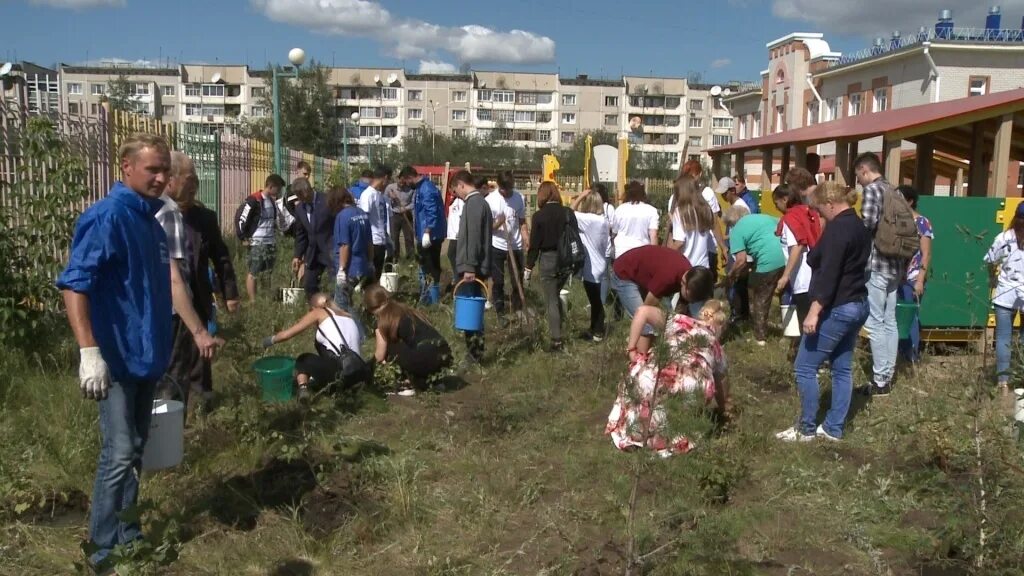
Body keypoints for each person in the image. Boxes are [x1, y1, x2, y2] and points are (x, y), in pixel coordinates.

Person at [56, 133, 175, 571]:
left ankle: (128, 533)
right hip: (116, 358)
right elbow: (75, 282)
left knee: (137, 449)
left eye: (165, 169)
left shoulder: (149, 221)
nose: (162, 178)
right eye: (152, 169)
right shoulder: (107, 217)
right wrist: (89, 350)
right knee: (119, 452)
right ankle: (102, 551)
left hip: (145, 355)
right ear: (126, 167)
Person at [776, 182, 870, 442]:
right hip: (858, 303)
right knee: (841, 368)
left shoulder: (838, 229)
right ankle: (833, 428)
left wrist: (814, 311)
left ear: (831, 204)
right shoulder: (858, 225)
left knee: (804, 367)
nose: (817, 215)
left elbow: (828, 274)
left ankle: (805, 428)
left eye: (819, 209)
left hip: (837, 306)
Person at [605, 300, 731, 457]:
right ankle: (667, 439)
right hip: (691, 387)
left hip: (654, 375)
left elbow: (642, 311)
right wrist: (722, 408)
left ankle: (637, 434)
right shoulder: (717, 348)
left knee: (644, 386)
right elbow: (721, 383)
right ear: (720, 327)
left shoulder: (678, 320)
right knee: (679, 403)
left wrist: (631, 349)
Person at [166, 152, 240, 407]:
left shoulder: (203, 217)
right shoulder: (156, 214)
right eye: (190, 179)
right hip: (163, 300)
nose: (195, 185)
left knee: (201, 347)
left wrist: (229, 292)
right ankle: (170, 404)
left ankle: (202, 399)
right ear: (171, 180)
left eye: (196, 179)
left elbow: (221, 256)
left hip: (196, 293)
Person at [856, 152, 906, 396]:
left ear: (865, 171)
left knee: (874, 323)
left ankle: (880, 381)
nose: (858, 182)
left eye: (858, 176)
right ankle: (888, 374)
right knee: (890, 321)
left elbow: (866, 224)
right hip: (896, 264)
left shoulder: (872, 191)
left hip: (876, 264)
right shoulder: (895, 190)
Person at [262, 293, 367, 399]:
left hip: (340, 374)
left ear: (315, 307)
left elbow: (286, 335)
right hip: (359, 373)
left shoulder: (319, 312)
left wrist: (268, 341)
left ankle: (303, 389)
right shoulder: (348, 316)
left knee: (304, 359)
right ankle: (341, 389)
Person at [364, 285, 453, 394]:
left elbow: (379, 355)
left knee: (391, 347)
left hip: (425, 357)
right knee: (413, 346)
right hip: (445, 354)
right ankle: (431, 382)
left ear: (370, 308)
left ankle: (407, 384)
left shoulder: (383, 320)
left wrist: (366, 367)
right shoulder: (407, 310)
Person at [722, 206, 786, 345]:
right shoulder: (764, 217)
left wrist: (731, 275)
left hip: (768, 261)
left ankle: (760, 337)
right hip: (787, 257)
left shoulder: (737, 231)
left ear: (732, 222)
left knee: (759, 297)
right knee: (786, 297)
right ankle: (788, 333)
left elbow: (741, 260)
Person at [612, 244, 715, 328]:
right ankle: (637, 351)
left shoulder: (691, 277)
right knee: (645, 323)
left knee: (661, 322)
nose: (691, 302)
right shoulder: (668, 277)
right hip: (625, 271)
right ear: (686, 287)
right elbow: (645, 310)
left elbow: (681, 310)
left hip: (644, 275)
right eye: (691, 299)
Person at [525, 181, 574, 351]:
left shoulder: (539, 216)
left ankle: (556, 340)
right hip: (566, 260)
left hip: (548, 259)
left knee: (551, 300)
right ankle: (561, 324)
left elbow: (534, 245)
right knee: (557, 294)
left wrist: (528, 268)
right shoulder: (567, 213)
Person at [453, 170, 492, 367]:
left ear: (461, 185)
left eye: (456, 190)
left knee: (470, 312)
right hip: (473, 266)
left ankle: (474, 354)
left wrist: (469, 266)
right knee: (471, 311)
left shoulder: (475, 203)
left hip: (472, 269)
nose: (457, 195)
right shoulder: (476, 202)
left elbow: (474, 237)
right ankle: (474, 352)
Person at [984, 203, 1024, 394]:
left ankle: (1003, 383)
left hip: (1005, 293)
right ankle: (1021, 378)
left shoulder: (1004, 238)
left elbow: (990, 260)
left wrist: (992, 278)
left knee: (1003, 338)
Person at [772, 184, 822, 334]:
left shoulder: (791, 218)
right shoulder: (808, 213)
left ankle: (806, 352)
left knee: (806, 321)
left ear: (785, 199)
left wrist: (785, 276)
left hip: (802, 277)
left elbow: (798, 246)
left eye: (777, 203)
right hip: (815, 273)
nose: (776, 207)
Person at [239, 174, 293, 303]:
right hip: (258, 243)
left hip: (270, 242)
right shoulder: (254, 200)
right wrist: (243, 237)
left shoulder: (272, 202)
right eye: (278, 188)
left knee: (267, 272)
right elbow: (242, 219)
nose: (279, 192)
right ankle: (253, 301)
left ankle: (265, 299)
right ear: (271, 186)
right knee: (254, 272)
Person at [399, 166, 446, 305]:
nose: (407, 185)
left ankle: (431, 299)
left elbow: (431, 211)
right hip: (426, 233)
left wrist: (427, 232)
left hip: (430, 236)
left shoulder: (426, 189)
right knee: (426, 265)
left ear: (409, 178)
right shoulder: (421, 188)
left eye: (406, 182)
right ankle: (427, 295)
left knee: (429, 266)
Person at [897, 185, 933, 363]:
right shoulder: (894, 221)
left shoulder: (922, 223)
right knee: (896, 316)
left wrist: (920, 280)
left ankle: (911, 357)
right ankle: (898, 354)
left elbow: (926, 254)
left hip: (912, 278)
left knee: (910, 317)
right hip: (896, 277)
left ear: (910, 201)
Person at [487, 171, 529, 322]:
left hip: (515, 245)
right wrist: (498, 222)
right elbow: (486, 227)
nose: (508, 192)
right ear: (499, 186)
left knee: (517, 279)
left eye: (510, 188)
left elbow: (522, 221)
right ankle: (500, 312)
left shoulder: (519, 198)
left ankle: (519, 308)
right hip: (497, 245)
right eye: (505, 189)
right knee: (498, 281)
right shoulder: (491, 200)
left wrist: (525, 237)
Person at [572, 189, 611, 341]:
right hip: (600, 262)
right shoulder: (603, 220)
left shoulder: (589, 220)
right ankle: (593, 328)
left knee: (595, 301)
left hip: (591, 266)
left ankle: (598, 331)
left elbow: (569, 212)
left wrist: (580, 196)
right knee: (595, 299)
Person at [331, 185, 373, 320]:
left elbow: (344, 245)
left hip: (349, 267)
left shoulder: (342, 217)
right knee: (349, 300)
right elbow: (369, 242)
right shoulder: (361, 213)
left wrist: (342, 270)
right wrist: (370, 262)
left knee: (342, 304)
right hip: (362, 265)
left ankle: (358, 333)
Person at [290, 177, 336, 298]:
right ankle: (314, 309)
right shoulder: (300, 208)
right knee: (309, 284)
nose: (302, 198)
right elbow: (301, 234)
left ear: (309, 189)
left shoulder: (327, 201)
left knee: (335, 284)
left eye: (303, 195)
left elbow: (338, 222)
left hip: (330, 249)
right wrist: (297, 255)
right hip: (313, 253)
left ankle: (335, 311)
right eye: (299, 196)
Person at [667, 175, 714, 269]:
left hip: (686, 265)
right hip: (703, 265)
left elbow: (679, 243)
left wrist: (666, 255)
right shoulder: (705, 209)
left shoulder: (680, 212)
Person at [358, 167, 390, 283]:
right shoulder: (368, 195)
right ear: (385, 178)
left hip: (380, 240)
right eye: (388, 181)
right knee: (369, 276)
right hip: (372, 242)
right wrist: (367, 242)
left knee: (376, 275)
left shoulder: (379, 195)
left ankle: (373, 298)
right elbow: (364, 219)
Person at [612, 180, 659, 259]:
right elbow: (653, 236)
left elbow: (614, 231)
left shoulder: (620, 209)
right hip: (642, 252)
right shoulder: (651, 210)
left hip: (622, 251)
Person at [386, 177, 415, 261]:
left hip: (407, 215)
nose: (401, 184)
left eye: (403, 182)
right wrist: (390, 198)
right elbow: (383, 200)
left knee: (409, 237)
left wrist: (406, 208)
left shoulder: (411, 189)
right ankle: (395, 258)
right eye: (400, 182)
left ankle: (411, 258)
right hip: (394, 215)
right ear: (397, 179)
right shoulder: (390, 188)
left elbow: (413, 203)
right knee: (394, 237)